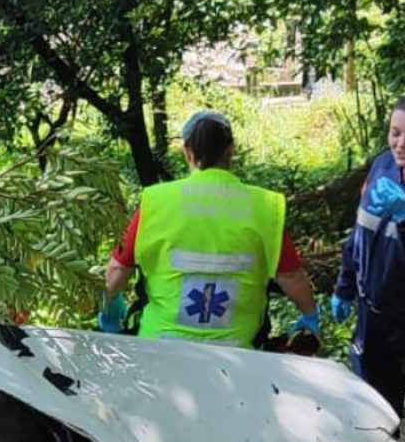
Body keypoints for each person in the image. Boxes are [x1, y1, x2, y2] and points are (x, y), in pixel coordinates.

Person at [100, 111, 318, 348]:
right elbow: (291, 276)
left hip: (159, 348)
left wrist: (108, 307)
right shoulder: (263, 207)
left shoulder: (157, 202)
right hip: (238, 353)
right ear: (230, 148)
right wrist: (309, 316)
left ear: (187, 150)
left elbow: (118, 269)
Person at [332, 95, 405, 414]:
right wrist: (344, 287)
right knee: (376, 411)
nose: (400, 144)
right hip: (373, 316)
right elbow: (360, 230)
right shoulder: (382, 167)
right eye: (395, 132)